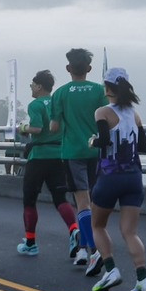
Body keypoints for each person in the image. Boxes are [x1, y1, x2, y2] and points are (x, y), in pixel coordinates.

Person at [89, 68, 146, 291]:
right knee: (129, 232)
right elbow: (143, 147)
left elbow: (104, 140)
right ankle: (143, 279)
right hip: (134, 177)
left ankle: (110, 270)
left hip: (110, 176)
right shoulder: (135, 114)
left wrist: (93, 141)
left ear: (107, 88)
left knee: (97, 225)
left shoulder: (102, 112)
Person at [50, 48, 106, 275]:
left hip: (72, 151)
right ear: (89, 68)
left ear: (68, 68)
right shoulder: (99, 90)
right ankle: (87, 248)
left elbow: (54, 127)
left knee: (81, 202)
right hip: (97, 153)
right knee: (94, 202)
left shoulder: (61, 93)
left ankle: (91, 250)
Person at [16, 70, 78, 256]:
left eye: (32, 85)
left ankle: (31, 243)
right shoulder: (58, 102)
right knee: (60, 198)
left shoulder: (35, 104)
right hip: (59, 154)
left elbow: (37, 128)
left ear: (39, 86)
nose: (31, 88)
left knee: (29, 200)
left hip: (39, 156)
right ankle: (74, 230)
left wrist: (23, 128)